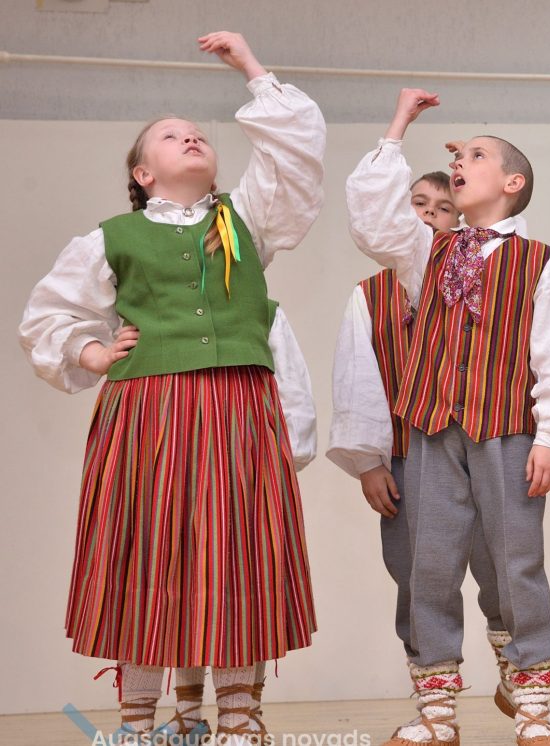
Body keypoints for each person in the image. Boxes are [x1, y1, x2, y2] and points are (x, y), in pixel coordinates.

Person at [18, 31, 324, 745]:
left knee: (237, 552)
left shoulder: (248, 220)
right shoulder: (111, 237)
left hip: (238, 409)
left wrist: (251, 69)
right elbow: (47, 315)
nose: (190, 136)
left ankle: (239, 716)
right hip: (148, 413)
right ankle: (137, 722)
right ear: (143, 173)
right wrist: (93, 352)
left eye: (198, 134)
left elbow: (295, 158)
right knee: (147, 554)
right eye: (169, 134)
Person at [346, 87, 550, 746]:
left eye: (477, 157)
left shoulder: (537, 263)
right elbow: (371, 221)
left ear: (512, 183)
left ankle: (531, 700)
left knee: (516, 563)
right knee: (427, 566)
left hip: (506, 430)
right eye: (458, 157)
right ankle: (436, 710)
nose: (459, 162)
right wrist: (398, 126)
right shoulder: (426, 251)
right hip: (430, 432)